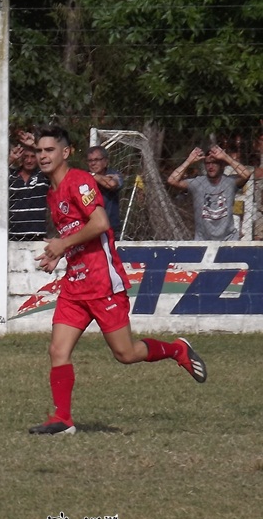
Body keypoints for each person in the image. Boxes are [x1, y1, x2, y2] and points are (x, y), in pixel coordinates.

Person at [30, 125, 207, 436]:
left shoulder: (80, 181)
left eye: (49, 150)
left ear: (66, 152)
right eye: (39, 151)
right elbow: (75, 232)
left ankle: (176, 349)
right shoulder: (52, 191)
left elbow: (100, 223)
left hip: (102, 282)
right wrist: (60, 252)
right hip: (75, 284)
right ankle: (63, 420)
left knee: (125, 354)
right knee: (58, 351)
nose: (43, 156)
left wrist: (62, 244)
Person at [166, 144, 252, 241]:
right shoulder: (198, 183)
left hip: (229, 239)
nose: (210, 166)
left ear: (221, 165)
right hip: (203, 240)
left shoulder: (230, 182)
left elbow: (246, 174)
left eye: (214, 163)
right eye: (207, 163)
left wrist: (226, 157)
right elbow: (172, 180)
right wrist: (189, 161)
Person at [8, 132, 49, 241]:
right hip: (14, 234)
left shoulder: (43, 174)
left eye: (33, 157)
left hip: (38, 234)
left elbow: (55, 162)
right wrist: (10, 159)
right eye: (26, 157)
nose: (29, 160)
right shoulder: (11, 174)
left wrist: (35, 145)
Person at [86, 146, 124, 239]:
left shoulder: (115, 174)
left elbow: (112, 184)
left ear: (106, 161)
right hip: (89, 230)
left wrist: (93, 176)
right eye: (90, 160)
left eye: (97, 159)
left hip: (111, 230)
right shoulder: (84, 177)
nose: (93, 163)